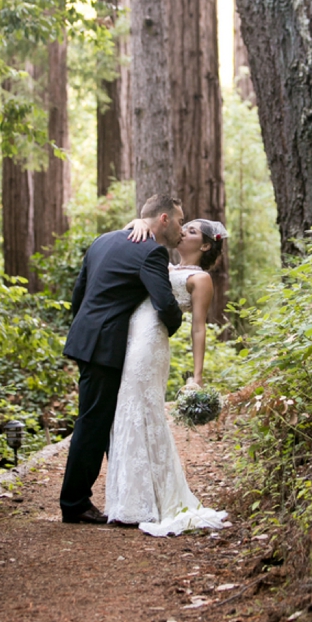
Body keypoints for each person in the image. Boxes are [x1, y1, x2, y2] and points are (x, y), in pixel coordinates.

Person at [59, 194, 184, 524]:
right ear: (164, 220)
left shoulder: (103, 241)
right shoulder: (151, 251)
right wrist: (174, 324)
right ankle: (73, 503)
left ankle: (123, 495)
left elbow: (79, 293)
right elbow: (164, 302)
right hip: (105, 345)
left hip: (87, 338)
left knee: (102, 420)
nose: (182, 228)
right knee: (93, 422)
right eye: (180, 220)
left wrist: (84, 330)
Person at [105, 217, 229, 536]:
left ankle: (144, 502)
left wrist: (197, 376)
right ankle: (129, 499)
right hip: (127, 334)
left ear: (203, 245)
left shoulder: (200, 278)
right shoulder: (159, 259)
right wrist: (138, 221)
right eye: (182, 227)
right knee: (125, 409)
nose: (182, 231)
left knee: (140, 409)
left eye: (189, 231)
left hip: (150, 343)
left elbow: (198, 327)